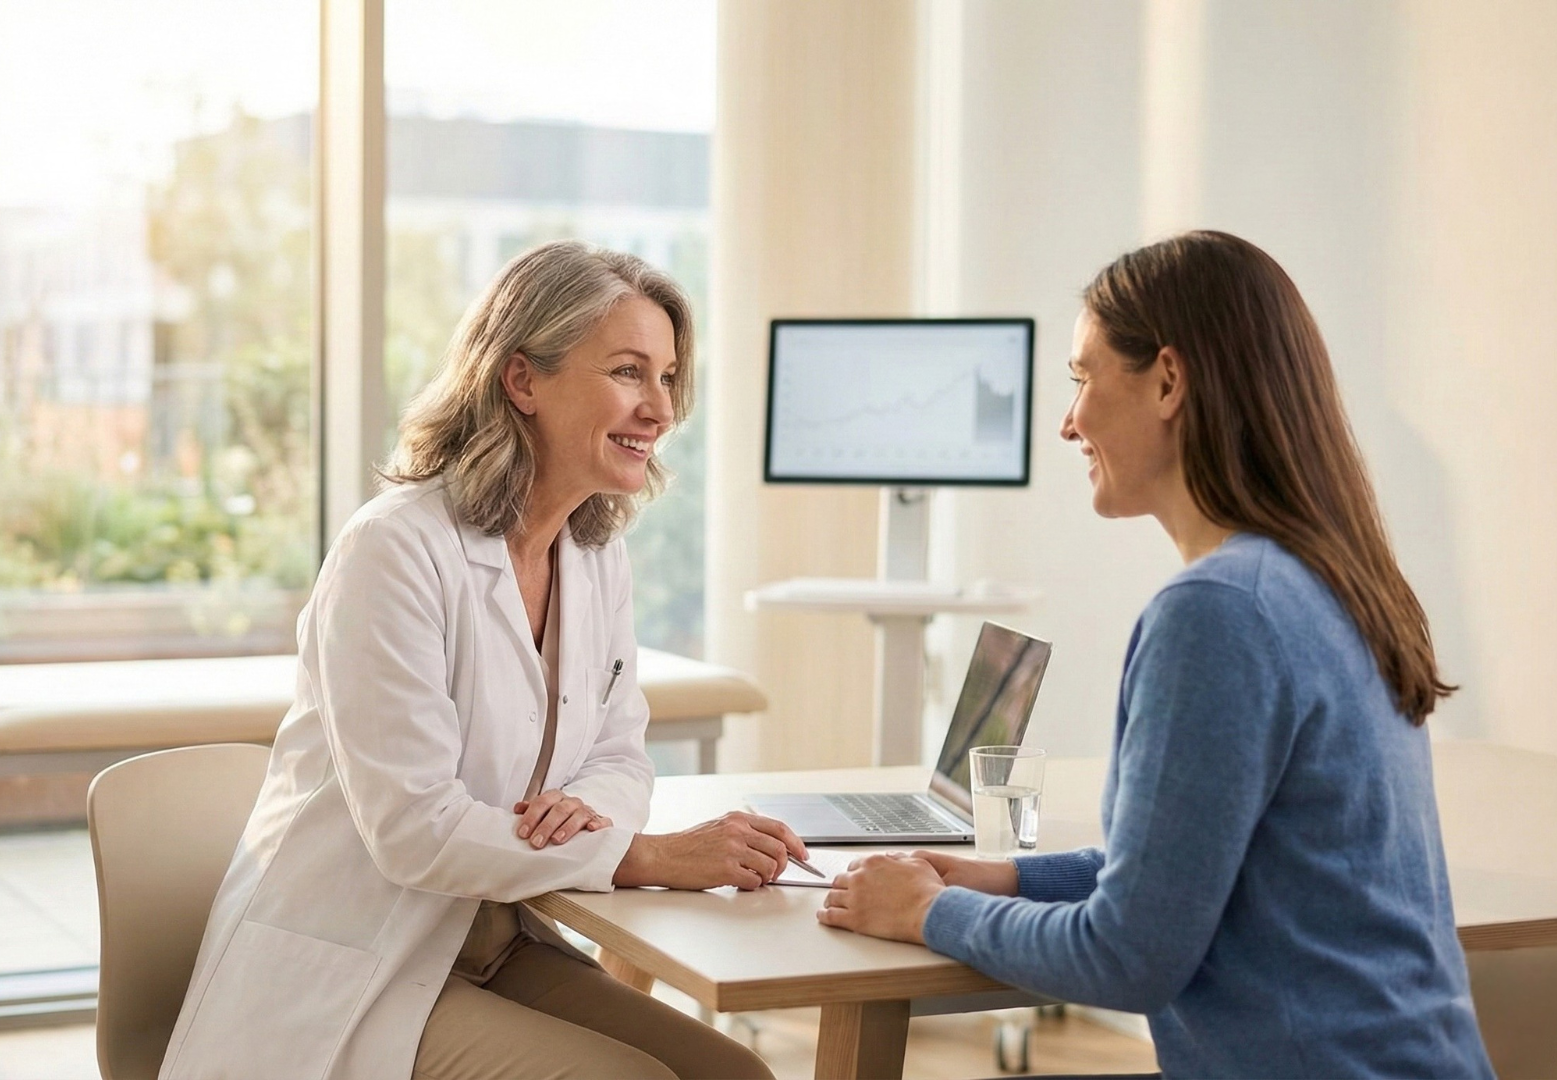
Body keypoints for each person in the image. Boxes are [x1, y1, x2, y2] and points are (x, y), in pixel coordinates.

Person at [816, 231, 1494, 1078]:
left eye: (1081, 378)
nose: (1068, 422)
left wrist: (929, 914)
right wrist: (1005, 880)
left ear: (1168, 380)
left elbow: (1129, 955)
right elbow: (1195, 863)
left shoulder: (1215, 612)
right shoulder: (1331, 579)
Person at [160, 240, 799, 1080]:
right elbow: (417, 833)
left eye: (668, 377)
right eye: (628, 372)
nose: (660, 409)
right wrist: (644, 854)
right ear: (522, 380)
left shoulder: (593, 552)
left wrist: (580, 804)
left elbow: (620, 754)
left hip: (498, 938)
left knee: (737, 1075)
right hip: (362, 960)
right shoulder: (394, 549)